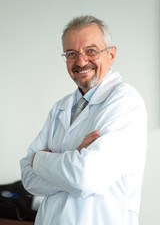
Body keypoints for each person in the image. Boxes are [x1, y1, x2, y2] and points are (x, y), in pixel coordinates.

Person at [20, 15, 147, 225]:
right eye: (71, 53)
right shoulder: (60, 107)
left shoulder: (125, 102)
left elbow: (84, 177)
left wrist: (38, 160)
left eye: (91, 51)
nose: (80, 61)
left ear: (111, 54)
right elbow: (28, 179)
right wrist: (74, 158)